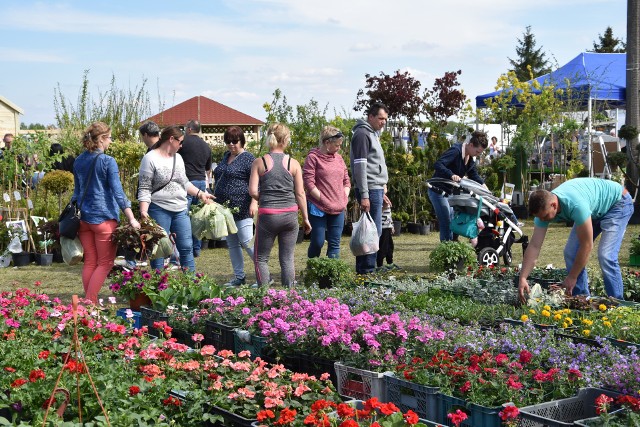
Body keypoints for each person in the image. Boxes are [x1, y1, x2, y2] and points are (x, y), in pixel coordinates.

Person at [518, 178, 634, 302]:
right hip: (593, 208)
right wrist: (523, 278)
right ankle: (582, 300)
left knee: (606, 256)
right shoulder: (542, 214)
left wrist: (572, 277)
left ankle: (617, 304)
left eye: (545, 216)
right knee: (570, 252)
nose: (543, 220)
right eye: (539, 218)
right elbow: (535, 245)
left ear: (554, 205)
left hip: (617, 203)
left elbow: (587, 245)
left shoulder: (576, 205)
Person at [73, 122, 140, 303]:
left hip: (83, 219)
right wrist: (132, 218)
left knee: (90, 262)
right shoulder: (107, 161)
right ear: (101, 139)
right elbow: (118, 192)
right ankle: (90, 302)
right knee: (105, 263)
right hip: (103, 219)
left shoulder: (78, 160)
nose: (111, 141)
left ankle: (90, 303)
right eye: (109, 138)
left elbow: (76, 192)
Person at [138, 125, 214, 272]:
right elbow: (145, 188)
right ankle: (159, 287)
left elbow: (184, 182)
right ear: (171, 139)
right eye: (180, 141)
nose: (182, 145)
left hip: (180, 209)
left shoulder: (178, 158)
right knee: (159, 251)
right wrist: (144, 212)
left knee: (186, 247)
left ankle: (191, 285)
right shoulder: (150, 158)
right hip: (159, 209)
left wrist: (200, 193)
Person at [249, 123, 311, 287]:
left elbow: (252, 191)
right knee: (287, 258)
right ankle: (289, 297)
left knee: (261, 258)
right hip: (290, 215)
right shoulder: (294, 163)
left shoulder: (259, 162)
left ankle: (265, 296)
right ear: (286, 140)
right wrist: (305, 218)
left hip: (268, 216)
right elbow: (300, 194)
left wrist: (265, 197)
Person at [213, 126, 257, 287]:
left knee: (246, 241)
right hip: (224, 209)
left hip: (242, 206)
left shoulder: (248, 159)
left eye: (235, 141)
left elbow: (256, 182)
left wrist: (254, 202)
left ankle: (263, 274)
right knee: (232, 244)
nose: (231, 144)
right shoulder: (226, 156)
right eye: (228, 141)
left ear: (242, 141)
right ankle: (239, 276)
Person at [350, 102, 390, 274]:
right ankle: (366, 272)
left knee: (372, 232)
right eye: (381, 118)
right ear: (371, 117)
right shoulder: (362, 134)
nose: (383, 122)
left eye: (385, 119)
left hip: (376, 188)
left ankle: (365, 270)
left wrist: (382, 187)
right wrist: (365, 194)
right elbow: (360, 167)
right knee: (371, 233)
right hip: (370, 189)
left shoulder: (372, 134)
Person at [428, 130, 489, 242]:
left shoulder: (469, 157)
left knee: (453, 220)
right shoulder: (455, 151)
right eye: (477, 151)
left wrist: (484, 186)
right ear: (471, 145)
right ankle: (447, 250)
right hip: (438, 190)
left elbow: (473, 174)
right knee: (446, 220)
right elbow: (438, 164)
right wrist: (451, 175)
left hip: (449, 193)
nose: (478, 154)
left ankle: (453, 245)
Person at [303, 125, 350, 259]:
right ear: (327, 142)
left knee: (334, 244)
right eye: (337, 145)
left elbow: (346, 181)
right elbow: (309, 182)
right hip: (318, 207)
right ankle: (313, 273)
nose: (339, 148)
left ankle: (331, 278)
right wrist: (324, 200)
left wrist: (343, 197)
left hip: (338, 207)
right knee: (317, 242)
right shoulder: (313, 158)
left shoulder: (339, 159)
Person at [178, 119, 212, 257]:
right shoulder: (206, 146)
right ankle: (196, 249)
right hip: (201, 183)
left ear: (189, 129)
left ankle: (185, 248)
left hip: (187, 183)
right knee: (197, 219)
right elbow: (208, 169)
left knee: (183, 217)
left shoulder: (183, 143)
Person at [377, 199, 397, 271]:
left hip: (387, 227)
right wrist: (383, 208)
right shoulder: (379, 200)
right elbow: (377, 214)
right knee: (382, 247)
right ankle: (379, 265)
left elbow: (389, 215)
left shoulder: (386, 200)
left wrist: (391, 225)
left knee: (390, 246)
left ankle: (390, 263)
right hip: (382, 228)